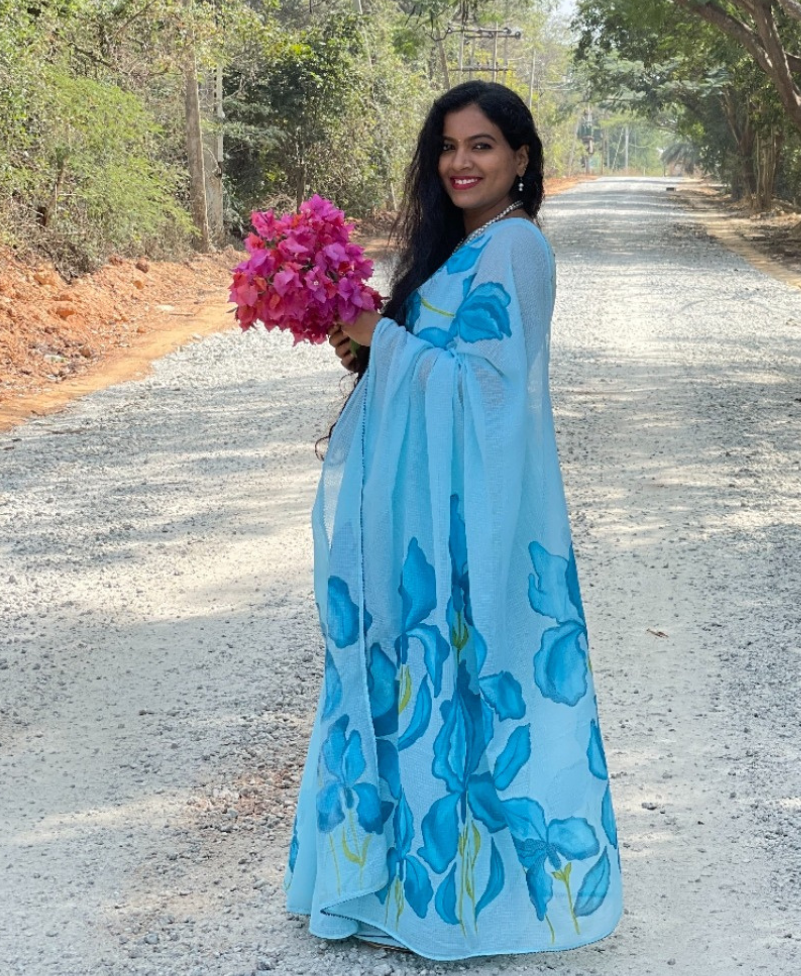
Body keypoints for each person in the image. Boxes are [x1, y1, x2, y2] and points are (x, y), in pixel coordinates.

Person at [283, 81, 623, 960]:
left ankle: (462, 903)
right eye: (447, 146)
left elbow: (488, 393)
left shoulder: (513, 248)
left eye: (480, 146)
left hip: (469, 522)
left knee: (466, 683)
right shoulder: (459, 250)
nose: (460, 162)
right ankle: (393, 889)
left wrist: (383, 338)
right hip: (419, 518)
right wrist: (371, 343)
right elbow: (436, 364)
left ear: (520, 157)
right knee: (410, 674)